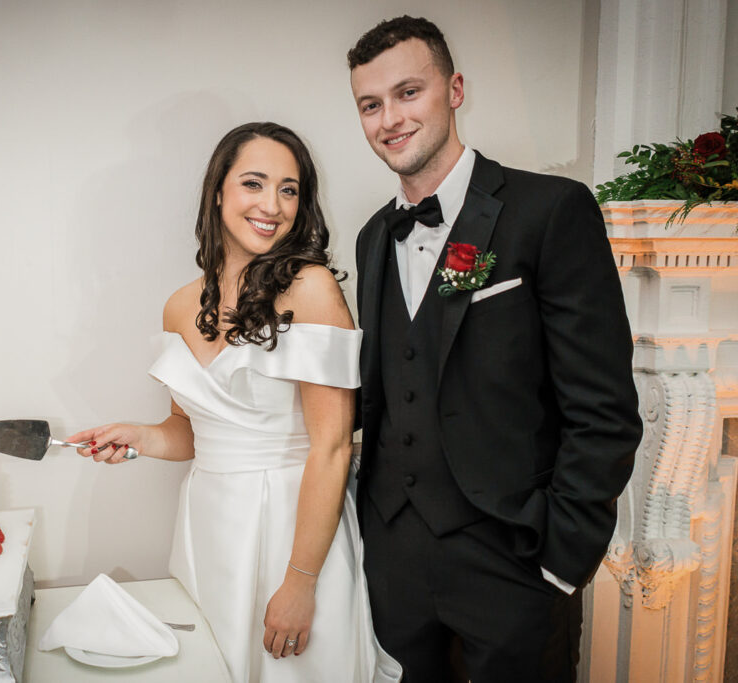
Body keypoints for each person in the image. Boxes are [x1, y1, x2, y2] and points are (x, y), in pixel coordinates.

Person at [346, 16, 643, 683]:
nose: (390, 118)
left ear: (454, 89)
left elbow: (603, 409)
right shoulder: (371, 239)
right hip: (392, 558)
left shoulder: (550, 210)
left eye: (408, 92)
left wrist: (561, 557)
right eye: (371, 104)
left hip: (512, 561)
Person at [67, 122, 401, 683]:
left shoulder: (311, 288)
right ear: (218, 190)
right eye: (254, 183)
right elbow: (191, 432)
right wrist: (142, 437)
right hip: (208, 527)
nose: (272, 204)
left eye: (289, 189)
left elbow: (333, 447)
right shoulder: (179, 306)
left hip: (293, 528)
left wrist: (299, 582)